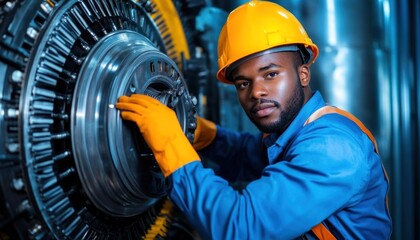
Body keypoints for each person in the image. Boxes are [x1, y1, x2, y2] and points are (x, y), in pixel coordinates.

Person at [116, 1, 392, 239]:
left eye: (271, 74)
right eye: (243, 83)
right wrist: (208, 137)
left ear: (303, 74)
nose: (256, 92)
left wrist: (170, 145)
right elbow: (245, 155)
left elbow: (240, 227)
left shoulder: (333, 149)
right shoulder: (296, 135)